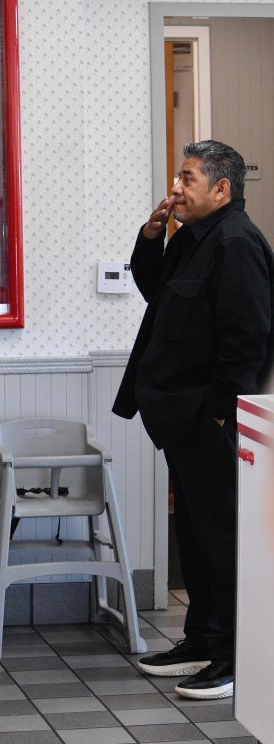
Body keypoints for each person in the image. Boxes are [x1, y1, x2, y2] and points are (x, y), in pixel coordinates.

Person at [114, 140, 274, 700]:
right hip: (180, 417)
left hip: (210, 421)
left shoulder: (237, 243)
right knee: (195, 534)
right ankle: (202, 639)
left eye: (187, 179)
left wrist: (217, 417)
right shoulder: (196, 239)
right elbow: (157, 293)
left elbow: (247, 342)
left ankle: (236, 657)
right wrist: (151, 237)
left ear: (222, 188)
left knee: (223, 538)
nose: (175, 188)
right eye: (176, 178)